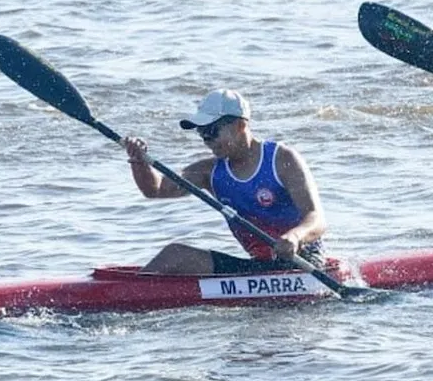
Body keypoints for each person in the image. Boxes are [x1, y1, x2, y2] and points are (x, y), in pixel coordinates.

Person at [121, 89, 328, 274]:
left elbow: (316, 218)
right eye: (202, 134)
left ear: (240, 125)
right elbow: (155, 190)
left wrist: (294, 237)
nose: (207, 141)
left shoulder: (281, 159)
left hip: (302, 263)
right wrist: (138, 160)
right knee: (174, 255)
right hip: (258, 267)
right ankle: (127, 297)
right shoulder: (208, 171)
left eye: (212, 132)